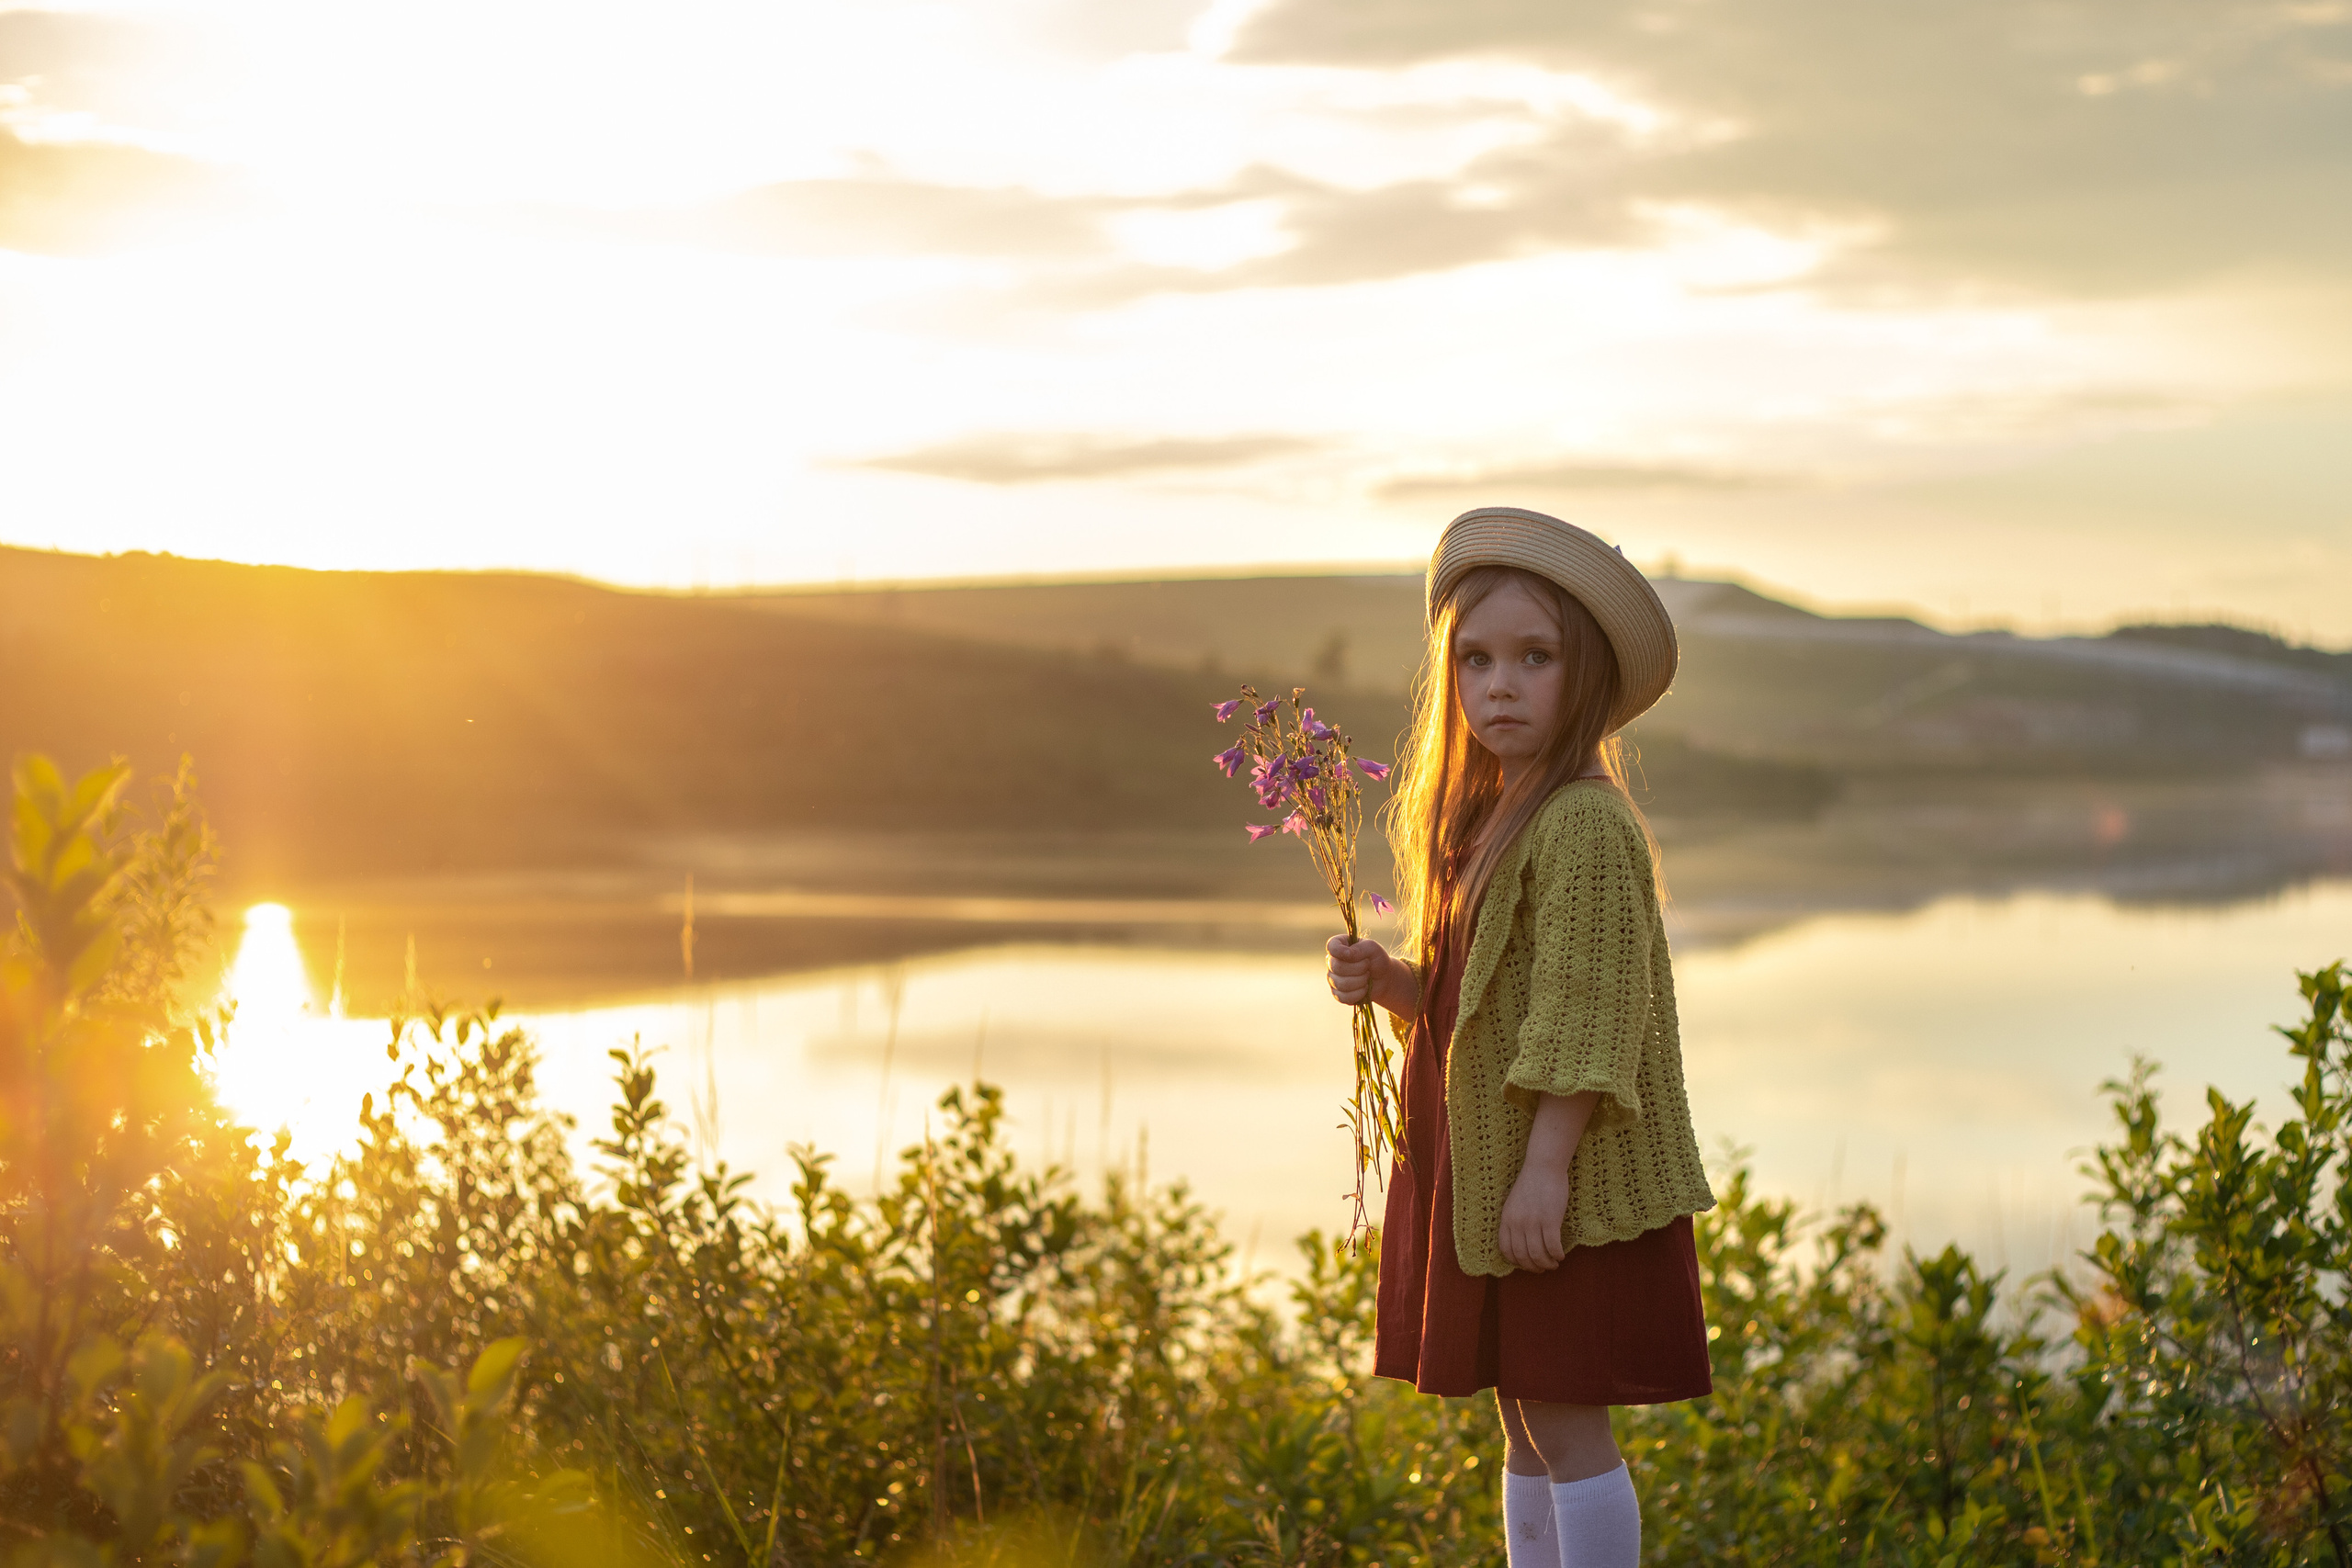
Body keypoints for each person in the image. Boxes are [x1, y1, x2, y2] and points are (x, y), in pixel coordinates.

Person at [1325, 506, 1715, 1568]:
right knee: (1524, 1415)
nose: (1499, 685)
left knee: (1566, 1419)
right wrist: (1395, 984)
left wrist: (1543, 1174)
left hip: (1560, 1177)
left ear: (1586, 678)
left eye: (1535, 658)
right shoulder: (1490, 816)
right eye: (1477, 660)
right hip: (1497, 1165)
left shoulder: (1583, 820)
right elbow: (1477, 1000)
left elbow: (1586, 1021)